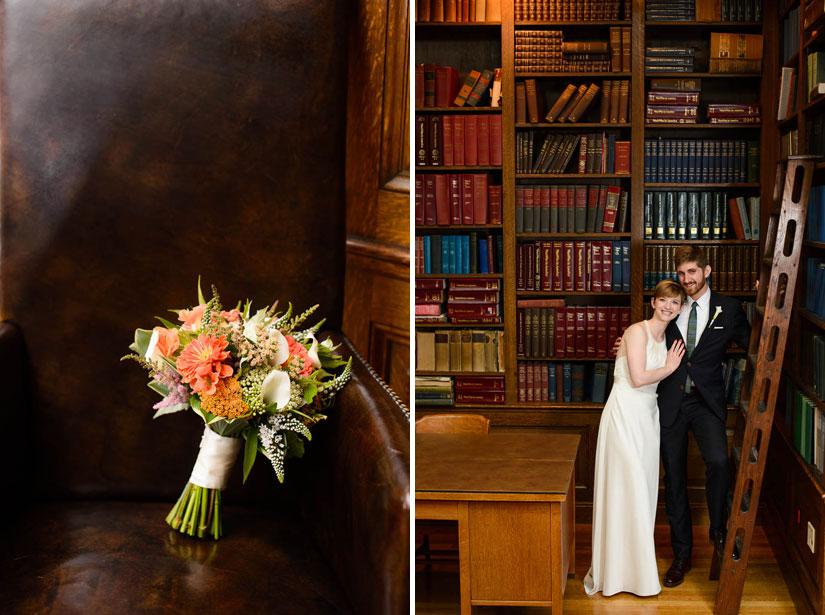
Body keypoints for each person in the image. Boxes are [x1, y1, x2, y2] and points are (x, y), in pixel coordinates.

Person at [611, 246, 752, 589]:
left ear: (707, 270)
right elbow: (646, 336)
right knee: (673, 479)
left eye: (692, 272)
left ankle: (717, 528)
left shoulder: (730, 309)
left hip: (706, 403)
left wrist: (769, 297)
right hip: (669, 403)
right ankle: (682, 555)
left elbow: (755, 345)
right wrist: (626, 344)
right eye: (682, 273)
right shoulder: (671, 305)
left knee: (719, 461)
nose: (687, 280)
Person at [583, 279, 686, 597]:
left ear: (680, 308)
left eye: (675, 303)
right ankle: (617, 575)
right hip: (625, 414)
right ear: (653, 302)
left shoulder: (666, 335)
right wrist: (669, 367)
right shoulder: (636, 332)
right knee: (623, 490)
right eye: (664, 301)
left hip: (647, 419)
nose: (668, 307)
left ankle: (635, 571)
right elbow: (639, 378)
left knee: (641, 493)